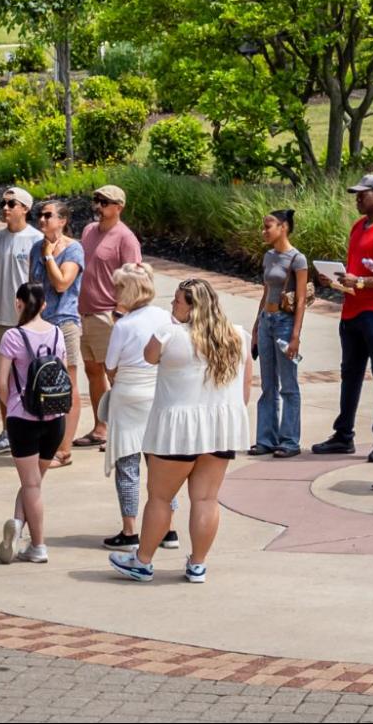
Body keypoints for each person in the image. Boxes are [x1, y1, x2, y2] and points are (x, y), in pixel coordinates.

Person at [108, 279, 250, 584]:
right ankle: (197, 564)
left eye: (177, 302)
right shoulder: (238, 336)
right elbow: (245, 391)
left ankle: (143, 562)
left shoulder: (169, 335)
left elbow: (148, 357)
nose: (172, 306)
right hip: (219, 430)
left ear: (193, 307)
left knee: (159, 498)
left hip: (177, 431)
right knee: (206, 500)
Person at [312, 173, 373, 462]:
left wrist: (362, 282)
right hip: (352, 311)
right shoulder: (358, 227)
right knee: (349, 374)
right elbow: (354, 275)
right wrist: (335, 282)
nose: (357, 198)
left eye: (362, 194)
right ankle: (343, 435)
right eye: (356, 193)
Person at [99, 263, 179, 552]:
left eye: (118, 286)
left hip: (129, 396)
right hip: (159, 393)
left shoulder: (123, 325)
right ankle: (168, 529)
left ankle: (130, 530)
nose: (114, 291)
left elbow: (110, 366)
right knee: (161, 465)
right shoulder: (164, 316)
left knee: (127, 465)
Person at [0, 280, 69, 565]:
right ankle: (17, 523)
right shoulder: (58, 333)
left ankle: (38, 546)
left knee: (31, 485)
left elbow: (2, 382)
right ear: (45, 305)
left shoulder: (13, 336)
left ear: (18, 303)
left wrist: (11, 404)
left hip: (23, 418)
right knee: (33, 483)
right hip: (55, 418)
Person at [74, 183, 141, 450]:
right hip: (84, 313)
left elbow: (135, 280)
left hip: (108, 315)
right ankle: (101, 427)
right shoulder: (89, 231)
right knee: (93, 371)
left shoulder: (126, 238)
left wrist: (121, 313)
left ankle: (124, 431)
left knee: (116, 374)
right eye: (97, 201)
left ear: (119, 207)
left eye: (105, 202)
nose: (99, 207)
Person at [0, 186, 42, 456]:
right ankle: (8, 430)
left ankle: (38, 427)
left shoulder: (36, 240)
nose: (5, 208)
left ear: (25, 209)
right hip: (1, 319)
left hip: (28, 320)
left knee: (32, 377)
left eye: (11, 203)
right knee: (4, 379)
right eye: (3, 203)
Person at [248, 209, 308, 458]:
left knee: (288, 384)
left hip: (285, 322)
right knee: (268, 384)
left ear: (283, 227)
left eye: (268, 227)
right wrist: (256, 326)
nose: (264, 231)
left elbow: (302, 299)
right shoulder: (268, 256)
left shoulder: (297, 259)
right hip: (267, 321)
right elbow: (265, 292)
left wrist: (296, 334)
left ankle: (290, 440)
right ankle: (266, 439)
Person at [30, 198, 84, 466]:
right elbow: (33, 287)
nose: (42, 219)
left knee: (67, 384)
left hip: (64, 323)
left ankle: (64, 450)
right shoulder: (34, 248)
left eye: (48, 215)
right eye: (40, 215)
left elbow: (62, 283)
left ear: (62, 221)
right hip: (41, 322)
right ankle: (47, 444)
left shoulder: (74, 250)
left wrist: (50, 255)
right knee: (43, 384)